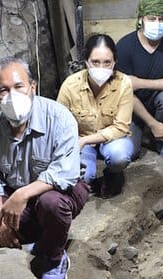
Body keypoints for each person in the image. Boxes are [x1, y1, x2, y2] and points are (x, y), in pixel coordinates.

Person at [0, 56, 89, 279]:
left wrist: (22, 195)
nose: (11, 95)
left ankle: (55, 257)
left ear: (32, 86)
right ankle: (43, 238)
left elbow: (65, 173)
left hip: (59, 191)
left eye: (18, 86)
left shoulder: (58, 117)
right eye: (3, 90)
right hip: (16, 194)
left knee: (51, 204)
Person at [57, 34, 134, 197]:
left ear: (115, 62)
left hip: (112, 139)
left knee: (120, 156)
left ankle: (113, 174)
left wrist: (85, 140)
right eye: (95, 62)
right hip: (79, 141)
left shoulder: (124, 83)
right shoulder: (70, 85)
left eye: (107, 62)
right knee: (85, 176)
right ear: (86, 62)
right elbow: (58, 124)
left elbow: (121, 127)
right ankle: (89, 181)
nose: (101, 67)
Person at [117, 0, 163, 159]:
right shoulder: (125, 46)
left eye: (162, 19)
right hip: (131, 106)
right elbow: (126, 92)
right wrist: (152, 123)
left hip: (158, 100)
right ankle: (148, 128)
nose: (157, 23)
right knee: (130, 154)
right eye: (152, 18)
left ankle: (160, 142)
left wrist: (139, 82)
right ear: (141, 19)